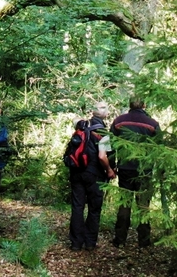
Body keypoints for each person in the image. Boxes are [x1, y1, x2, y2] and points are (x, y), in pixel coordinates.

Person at [110, 95, 160, 248]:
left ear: (129, 104)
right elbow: (160, 148)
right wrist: (160, 169)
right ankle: (144, 240)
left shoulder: (119, 121)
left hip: (125, 168)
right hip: (145, 170)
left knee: (125, 203)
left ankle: (120, 239)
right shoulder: (152, 124)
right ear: (144, 105)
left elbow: (110, 145)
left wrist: (112, 166)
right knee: (144, 205)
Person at [68, 101, 116, 251]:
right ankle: (89, 242)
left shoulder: (82, 126)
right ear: (105, 114)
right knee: (94, 209)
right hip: (95, 175)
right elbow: (102, 156)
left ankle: (76, 243)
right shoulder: (103, 132)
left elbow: (74, 120)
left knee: (77, 207)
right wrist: (109, 170)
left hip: (77, 172)